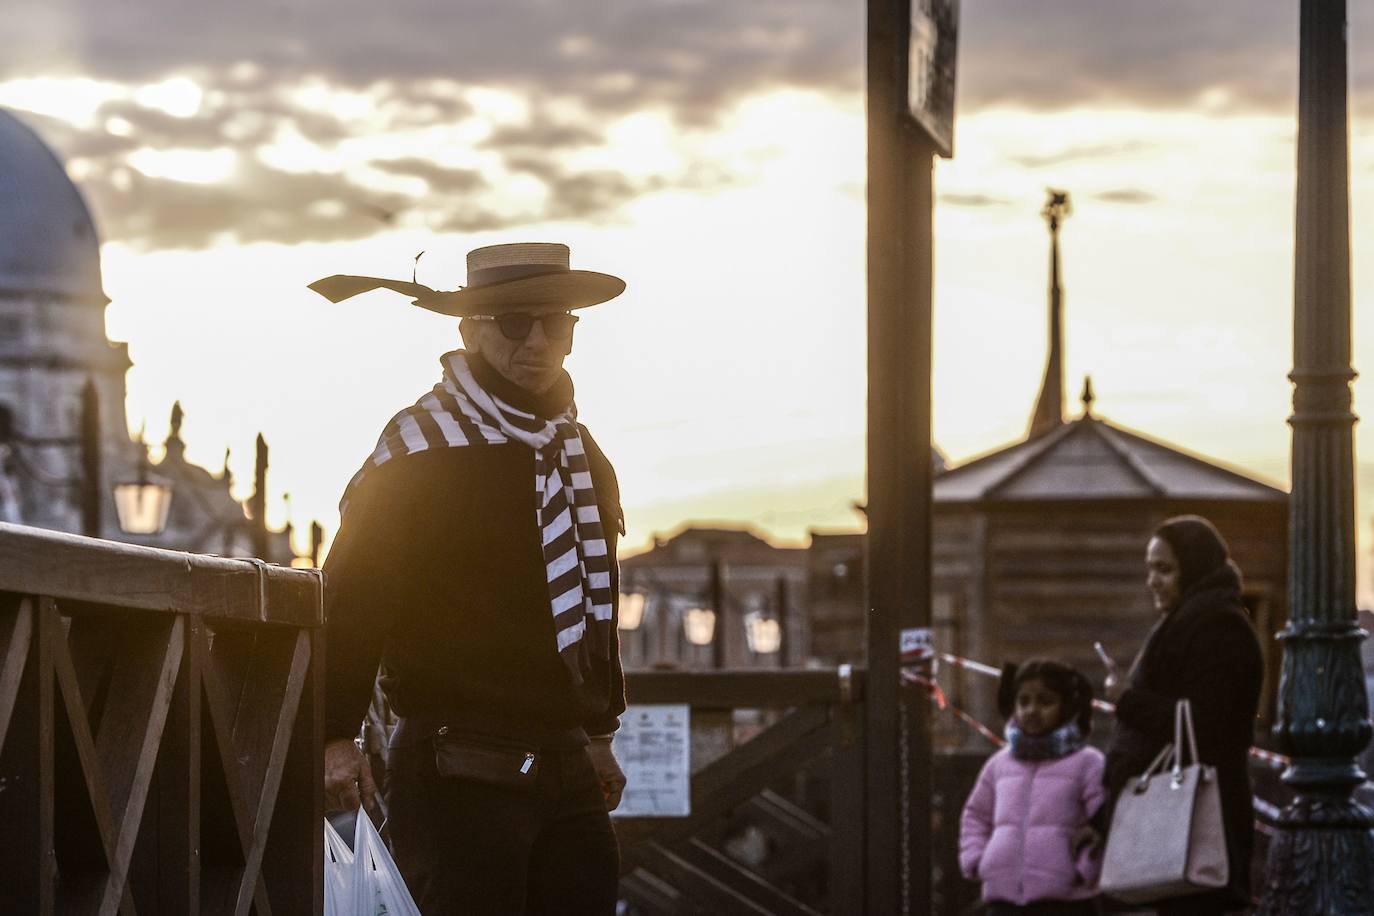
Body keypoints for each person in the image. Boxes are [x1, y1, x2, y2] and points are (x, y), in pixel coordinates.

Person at [311, 242, 630, 915]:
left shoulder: (578, 452)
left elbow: (596, 606)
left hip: (566, 763)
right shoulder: (420, 450)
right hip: (456, 768)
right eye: (515, 322)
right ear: (470, 331)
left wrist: (599, 736)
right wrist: (334, 736)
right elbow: (353, 596)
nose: (538, 341)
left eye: (557, 324)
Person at [1099, 515, 1263, 915]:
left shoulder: (1219, 627)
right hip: (1181, 815)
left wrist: (1128, 700)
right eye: (1150, 569)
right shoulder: (1191, 622)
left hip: (1201, 817)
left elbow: (1208, 725)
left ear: (1195, 567)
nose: (1152, 581)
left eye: (1164, 569)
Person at [960, 658, 1105, 916]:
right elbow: (976, 816)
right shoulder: (999, 764)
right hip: (1002, 900)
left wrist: (1084, 869)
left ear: (1068, 707)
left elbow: (1104, 822)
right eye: (1023, 701)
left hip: (1065, 903)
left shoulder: (1088, 763)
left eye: (1045, 701)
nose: (1032, 710)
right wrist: (978, 860)